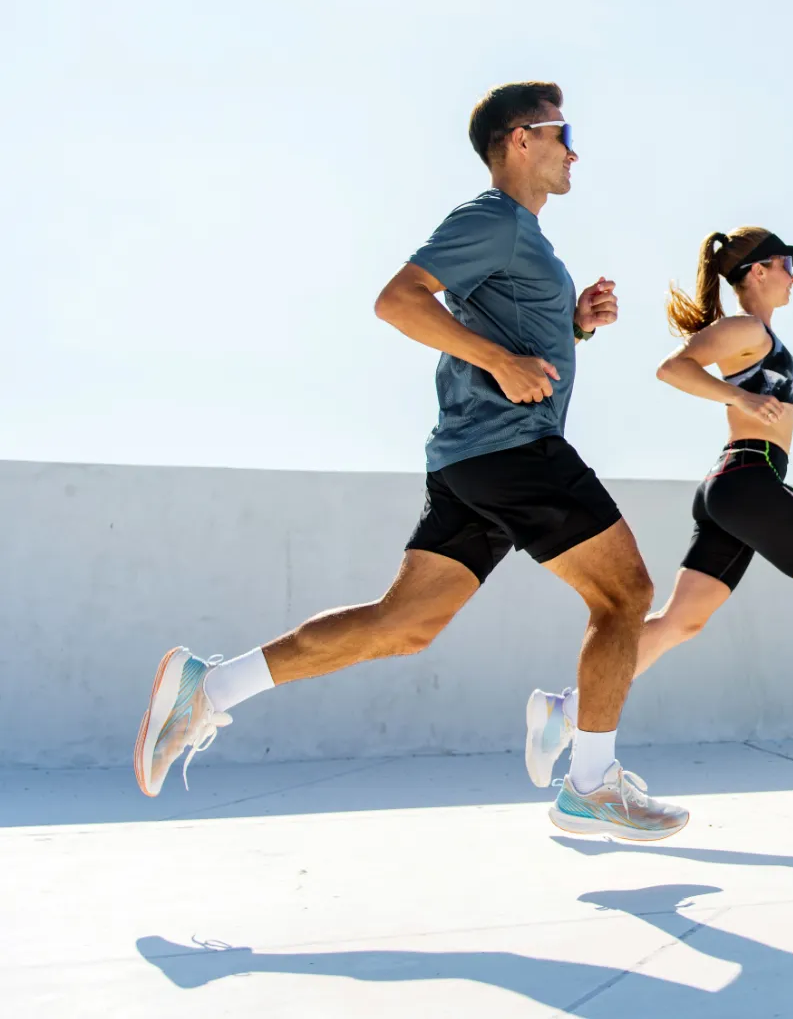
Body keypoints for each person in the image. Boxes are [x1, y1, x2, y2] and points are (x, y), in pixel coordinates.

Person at [133, 81, 688, 841]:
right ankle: (590, 783)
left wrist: (574, 323)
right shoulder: (492, 218)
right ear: (520, 139)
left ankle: (211, 687)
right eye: (562, 134)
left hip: (473, 459)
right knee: (626, 595)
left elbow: (501, 322)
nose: (574, 151)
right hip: (513, 447)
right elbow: (398, 300)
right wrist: (500, 362)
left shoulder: (521, 235)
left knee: (403, 624)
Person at [525, 226, 793, 786]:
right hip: (748, 479)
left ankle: (565, 711)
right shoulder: (745, 327)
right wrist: (741, 396)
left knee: (679, 623)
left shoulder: (765, 339)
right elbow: (673, 368)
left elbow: (778, 424)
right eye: (786, 265)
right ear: (757, 271)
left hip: (736, 484)